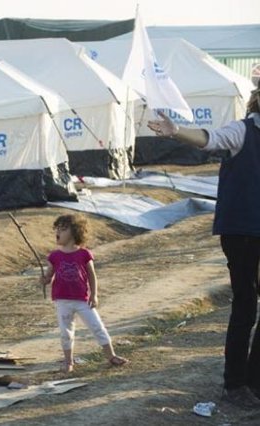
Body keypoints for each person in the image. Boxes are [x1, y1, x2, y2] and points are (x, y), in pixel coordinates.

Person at [147, 83, 260, 409]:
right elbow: (209, 138)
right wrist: (176, 131)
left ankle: (254, 380)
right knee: (245, 306)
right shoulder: (242, 131)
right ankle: (235, 384)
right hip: (241, 231)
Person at [40, 214, 128, 373]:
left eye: (63, 229)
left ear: (74, 232)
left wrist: (94, 295)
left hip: (82, 300)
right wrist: (44, 280)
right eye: (57, 229)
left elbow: (92, 275)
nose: (58, 232)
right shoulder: (54, 256)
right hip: (62, 300)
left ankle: (111, 356)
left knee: (97, 326)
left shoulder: (84, 254)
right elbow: (49, 276)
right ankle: (68, 362)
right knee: (66, 332)